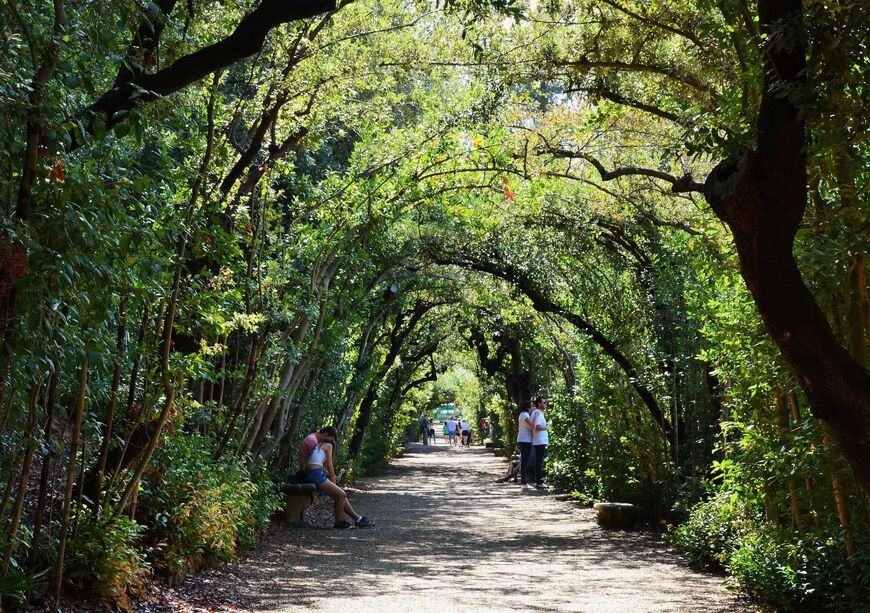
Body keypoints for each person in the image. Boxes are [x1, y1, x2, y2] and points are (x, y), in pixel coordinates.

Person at [300, 426, 373, 529]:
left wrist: (324, 475)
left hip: (313, 474)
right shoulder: (328, 446)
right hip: (316, 475)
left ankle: (357, 519)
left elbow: (305, 468)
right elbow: (330, 465)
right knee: (342, 495)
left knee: (338, 495)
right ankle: (339, 522)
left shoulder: (316, 447)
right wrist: (333, 477)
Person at [530, 397, 550, 490]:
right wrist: (547, 426)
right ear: (539, 404)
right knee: (539, 462)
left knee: (539, 461)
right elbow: (537, 427)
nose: (545, 404)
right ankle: (539, 482)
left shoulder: (537, 412)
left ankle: (539, 481)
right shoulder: (538, 412)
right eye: (544, 402)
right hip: (540, 440)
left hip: (539, 440)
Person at [516, 401, 534, 489]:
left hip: (522, 439)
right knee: (525, 461)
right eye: (531, 406)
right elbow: (532, 426)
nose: (532, 407)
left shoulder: (521, 414)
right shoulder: (526, 416)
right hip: (525, 440)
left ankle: (524, 482)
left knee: (524, 460)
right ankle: (523, 482)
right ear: (528, 408)